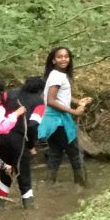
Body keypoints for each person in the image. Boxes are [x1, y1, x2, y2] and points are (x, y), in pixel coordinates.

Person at [38, 45, 91, 187]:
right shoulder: (57, 76)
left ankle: (49, 186)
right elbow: (51, 100)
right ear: (53, 60)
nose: (64, 59)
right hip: (59, 121)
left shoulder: (55, 74)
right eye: (60, 57)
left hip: (50, 120)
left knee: (55, 154)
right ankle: (82, 187)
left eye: (66, 56)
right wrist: (74, 111)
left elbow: (61, 96)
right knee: (75, 153)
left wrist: (78, 101)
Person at [0, 78, 33, 205]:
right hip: (17, 141)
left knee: (4, 173)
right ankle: (29, 207)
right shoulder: (13, 102)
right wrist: (31, 145)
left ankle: (0, 205)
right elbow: (31, 126)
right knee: (23, 173)